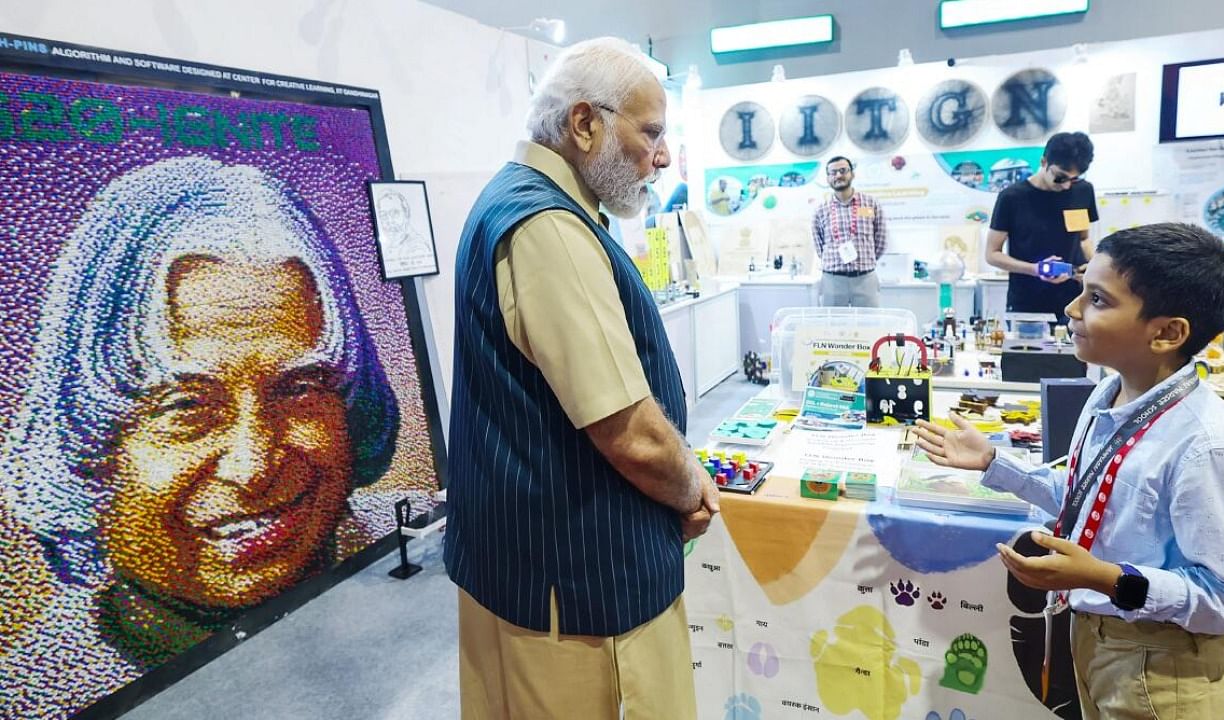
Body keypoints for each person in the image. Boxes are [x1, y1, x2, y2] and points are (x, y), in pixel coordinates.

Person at [0, 156, 400, 710]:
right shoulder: (41, 693)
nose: (254, 462)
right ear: (88, 442)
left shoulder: (425, 539)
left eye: (298, 387)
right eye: (188, 405)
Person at [445, 37, 717, 719]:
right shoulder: (548, 227)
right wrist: (692, 489)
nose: (662, 156)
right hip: (583, 588)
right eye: (651, 132)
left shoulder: (517, 201)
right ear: (585, 124)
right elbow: (630, 432)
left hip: (530, 569)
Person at [916, 223, 1224, 719]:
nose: (1071, 310)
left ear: (1168, 333)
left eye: (1098, 300)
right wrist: (995, 463)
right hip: (1096, 637)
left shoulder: (1210, 448)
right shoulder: (1107, 395)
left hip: (1166, 666)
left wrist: (1108, 579)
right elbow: (1094, 497)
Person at [985, 132, 1099, 324]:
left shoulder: (1082, 191)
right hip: (1027, 302)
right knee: (1027, 354)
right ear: (1044, 161)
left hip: (1074, 301)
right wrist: (1035, 269)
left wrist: (1094, 268)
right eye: (1060, 177)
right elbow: (992, 254)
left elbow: (1083, 239)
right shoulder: (1012, 197)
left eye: (1074, 179)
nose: (1066, 186)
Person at [811, 156, 887, 307]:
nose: (838, 175)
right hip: (832, 281)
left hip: (865, 279)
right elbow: (819, 247)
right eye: (833, 172)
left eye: (843, 170)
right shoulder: (820, 210)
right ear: (828, 179)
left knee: (869, 326)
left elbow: (881, 240)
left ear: (852, 174)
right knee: (833, 327)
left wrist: (866, 260)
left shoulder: (871, 204)